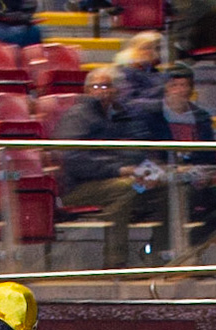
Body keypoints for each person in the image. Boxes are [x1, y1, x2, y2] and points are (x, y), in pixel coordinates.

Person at [57, 67, 150, 268]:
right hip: (80, 187)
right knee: (126, 188)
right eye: (96, 86)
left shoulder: (121, 115)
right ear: (87, 90)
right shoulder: (78, 116)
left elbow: (134, 148)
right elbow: (74, 159)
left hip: (114, 179)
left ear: (116, 90)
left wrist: (146, 169)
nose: (102, 91)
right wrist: (119, 170)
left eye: (107, 85)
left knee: (160, 184)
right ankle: (115, 262)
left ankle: (161, 251)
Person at [138, 67, 216, 252]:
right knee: (178, 195)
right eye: (174, 85)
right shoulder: (150, 115)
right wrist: (170, 171)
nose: (179, 90)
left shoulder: (201, 118)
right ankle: (160, 251)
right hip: (155, 181)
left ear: (191, 89)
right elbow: (142, 156)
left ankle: (190, 244)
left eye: (184, 85)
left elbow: (210, 157)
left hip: (192, 181)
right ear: (166, 88)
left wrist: (204, 174)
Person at [114, 31, 170, 113]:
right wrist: (164, 103)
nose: (150, 52)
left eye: (155, 48)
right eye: (146, 48)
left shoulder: (157, 73)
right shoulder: (123, 74)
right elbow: (127, 104)